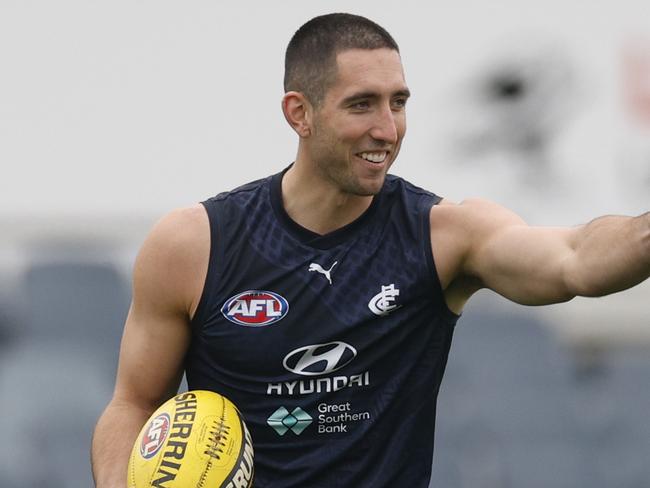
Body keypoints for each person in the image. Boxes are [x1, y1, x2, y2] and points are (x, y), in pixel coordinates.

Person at [91, 13, 650, 488]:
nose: (387, 128)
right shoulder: (195, 244)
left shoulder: (444, 234)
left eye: (398, 103)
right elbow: (133, 405)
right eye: (362, 105)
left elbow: (576, 260)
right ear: (298, 113)